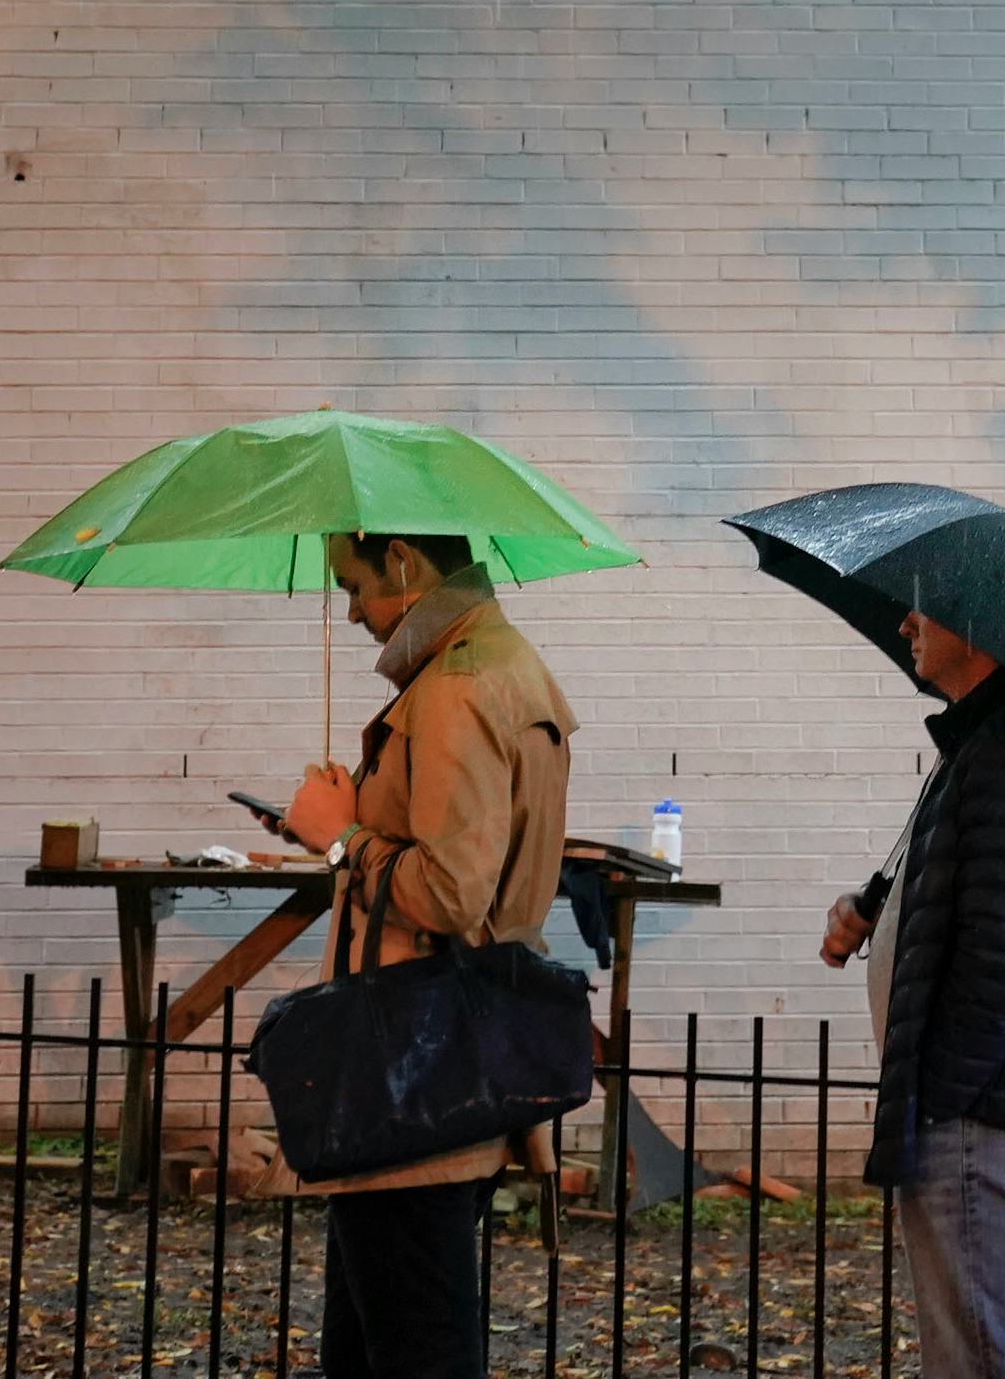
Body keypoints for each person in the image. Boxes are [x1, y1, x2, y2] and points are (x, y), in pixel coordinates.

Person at [277, 531, 576, 1379]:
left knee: (414, 1344)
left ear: (402, 562)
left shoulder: (456, 686)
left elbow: (450, 893)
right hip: (449, 1048)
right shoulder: (499, 662)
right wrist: (346, 824)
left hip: (412, 1062)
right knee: (374, 1333)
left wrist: (340, 842)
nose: (351, 611)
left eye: (354, 586)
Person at [820, 608, 1005, 1379]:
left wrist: (941, 1097)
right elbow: (981, 899)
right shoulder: (986, 743)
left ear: (984, 626)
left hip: (989, 1120)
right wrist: (878, 909)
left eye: (927, 604)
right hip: (986, 1112)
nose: (905, 619)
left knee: (988, 1365)